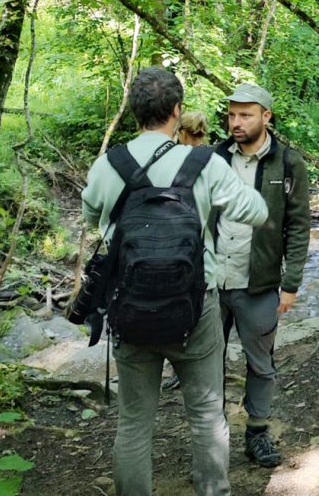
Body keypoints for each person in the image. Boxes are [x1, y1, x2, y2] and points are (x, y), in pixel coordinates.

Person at [81, 68, 268, 496]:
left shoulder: (110, 164)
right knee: (205, 413)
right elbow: (256, 211)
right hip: (195, 309)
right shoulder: (203, 163)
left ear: (133, 113)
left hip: (129, 310)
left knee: (133, 422)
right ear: (177, 111)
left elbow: (94, 217)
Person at [213, 83, 310, 468]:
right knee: (206, 363)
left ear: (266, 116)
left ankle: (257, 433)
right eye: (232, 114)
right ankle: (212, 439)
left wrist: (291, 284)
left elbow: (298, 226)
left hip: (260, 284)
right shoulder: (213, 157)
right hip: (211, 283)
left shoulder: (288, 164)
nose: (236, 122)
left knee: (261, 363)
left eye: (245, 115)